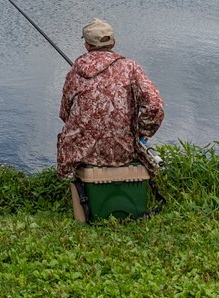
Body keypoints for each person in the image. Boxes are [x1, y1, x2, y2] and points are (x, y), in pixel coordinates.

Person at [56, 18, 164, 178]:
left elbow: (65, 114)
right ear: (113, 42)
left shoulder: (75, 71)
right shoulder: (130, 67)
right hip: (123, 150)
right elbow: (155, 106)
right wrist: (140, 133)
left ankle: (75, 183)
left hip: (79, 152)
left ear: (87, 45)